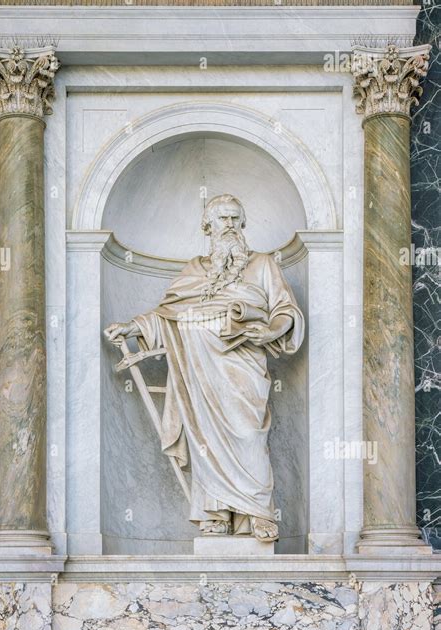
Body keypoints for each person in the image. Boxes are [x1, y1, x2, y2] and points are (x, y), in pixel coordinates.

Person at [104, 194, 304, 542]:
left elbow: (285, 310)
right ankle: (214, 512)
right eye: (222, 218)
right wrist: (132, 328)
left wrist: (271, 329)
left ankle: (256, 513)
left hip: (243, 367)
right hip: (199, 370)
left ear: (243, 225)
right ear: (207, 227)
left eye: (234, 218)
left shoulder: (262, 265)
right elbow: (167, 316)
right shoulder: (194, 271)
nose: (229, 224)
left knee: (249, 434)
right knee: (205, 437)